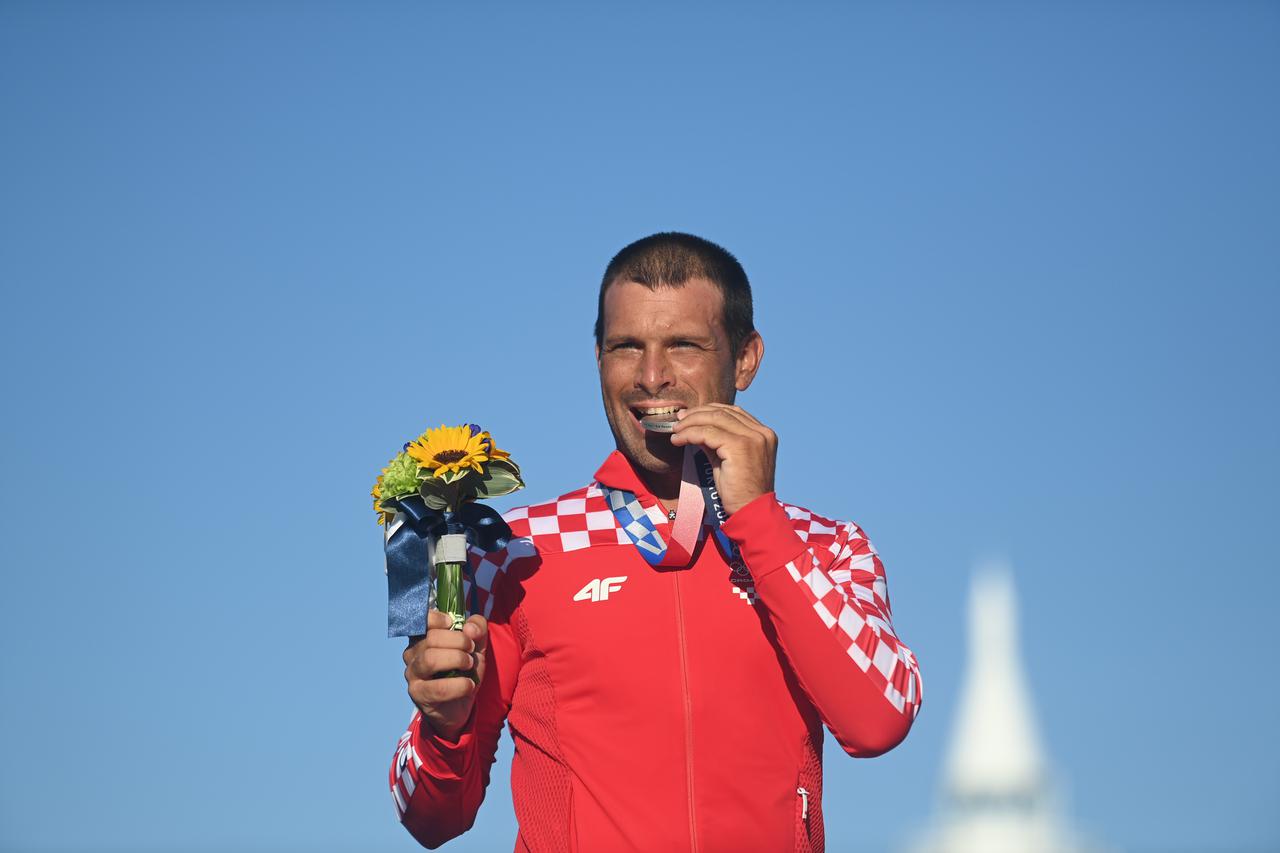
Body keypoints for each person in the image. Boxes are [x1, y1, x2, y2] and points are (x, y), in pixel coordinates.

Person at [389, 232, 922, 852]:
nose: (651, 377)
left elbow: (880, 720)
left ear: (746, 360)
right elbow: (427, 816)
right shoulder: (517, 550)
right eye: (626, 348)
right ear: (598, 359)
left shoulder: (825, 547)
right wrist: (442, 729)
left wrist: (759, 522)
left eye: (684, 346)